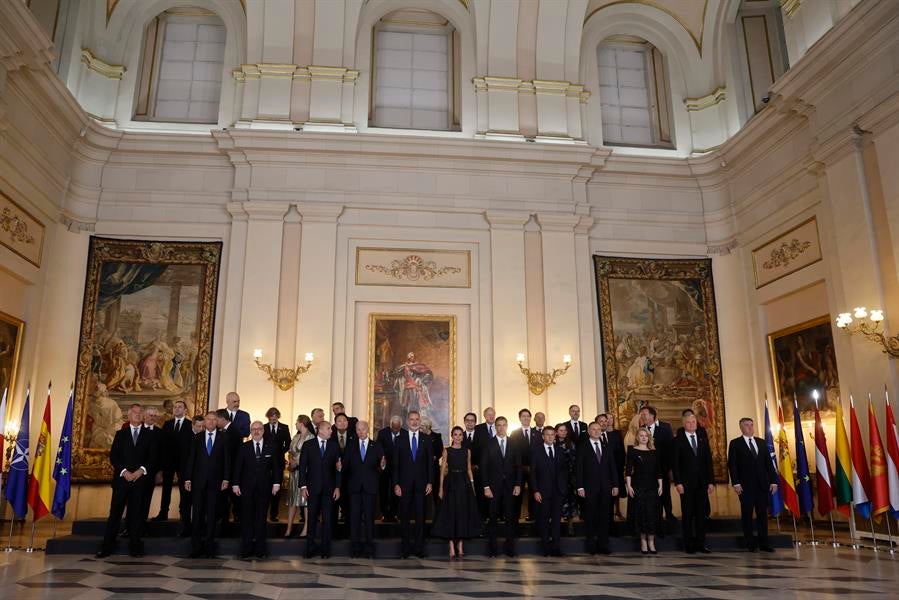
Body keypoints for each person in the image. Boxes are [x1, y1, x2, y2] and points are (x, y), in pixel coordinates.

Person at [96, 404, 157, 558]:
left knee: (136, 515)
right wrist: (124, 472)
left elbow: (152, 458)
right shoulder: (120, 434)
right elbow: (114, 457)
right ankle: (107, 547)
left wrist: (141, 470)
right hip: (122, 481)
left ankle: (135, 547)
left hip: (139, 481)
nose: (137, 415)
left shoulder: (149, 435)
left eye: (140, 413)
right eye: (134, 413)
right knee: (115, 513)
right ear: (129, 416)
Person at [184, 411, 231, 558]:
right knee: (197, 515)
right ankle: (196, 548)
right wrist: (188, 479)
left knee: (211, 516)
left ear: (217, 422)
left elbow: (227, 460)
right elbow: (191, 459)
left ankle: (210, 549)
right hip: (198, 482)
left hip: (216, 483)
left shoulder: (224, 438)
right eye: (208, 419)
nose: (211, 422)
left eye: (213, 419)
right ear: (204, 421)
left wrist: (226, 479)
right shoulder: (197, 438)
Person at [232, 421, 282, 558]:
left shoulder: (271, 447)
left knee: (261, 519)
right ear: (250, 431)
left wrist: (277, 483)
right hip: (246, 488)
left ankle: (260, 550)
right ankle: (246, 549)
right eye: (253, 429)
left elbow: (277, 467)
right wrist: (235, 484)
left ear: (263, 430)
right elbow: (238, 467)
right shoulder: (244, 447)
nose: (256, 431)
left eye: (259, 429)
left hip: (265, 488)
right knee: (246, 519)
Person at [728, 417, 778, 552]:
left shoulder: (761, 443)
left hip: (762, 486)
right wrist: (736, 483)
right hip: (745, 487)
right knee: (747, 515)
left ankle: (764, 543)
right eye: (747, 425)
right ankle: (750, 543)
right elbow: (732, 466)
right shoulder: (735, 444)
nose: (750, 427)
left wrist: (774, 481)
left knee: (762, 515)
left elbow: (769, 464)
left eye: (751, 425)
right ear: (741, 427)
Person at [431, 426, 482, 558]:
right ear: (452, 436)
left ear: (462, 437)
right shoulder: (447, 451)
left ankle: (460, 544)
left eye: (460, 435)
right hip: (450, 483)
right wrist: (441, 488)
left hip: (464, 483)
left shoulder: (467, 451)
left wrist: (473, 486)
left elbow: (469, 469)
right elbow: (442, 471)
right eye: (455, 434)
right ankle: (451, 545)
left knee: (462, 514)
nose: (458, 437)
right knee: (450, 513)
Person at [393, 410, 433, 558]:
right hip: (404, 486)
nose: (415, 422)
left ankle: (419, 549)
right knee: (404, 518)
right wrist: (396, 484)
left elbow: (430, 463)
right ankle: (405, 549)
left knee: (420, 518)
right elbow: (395, 464)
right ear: (407, 421)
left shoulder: (426, 439)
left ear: (420, 421)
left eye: (417, 419)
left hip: (422, 485)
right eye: (412, 419)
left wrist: (430, 481)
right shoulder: (399, 439)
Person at [299, 420, 342, 559]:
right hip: (312, 488)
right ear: (321, 430)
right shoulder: (308, 445)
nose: (331, 431)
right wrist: (303, 486)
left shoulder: (334, 446)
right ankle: (309, 549)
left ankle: (325, 550)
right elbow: (302, 468)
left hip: (329, 490)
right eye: (329, 429)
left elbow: (338, 469)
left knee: (328, 520)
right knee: (311, 519)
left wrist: (337, 487)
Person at [480, 416, 521, 557]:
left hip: (510, 487)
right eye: (498, 425)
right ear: (495, 427)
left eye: (504, 425)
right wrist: (486, 486)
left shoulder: (514, 443)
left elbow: (518, 467)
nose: (501, 427)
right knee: (492, 519)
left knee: (510, 519)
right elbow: (483, 467)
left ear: (507, 426)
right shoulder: (488, 444)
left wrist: (518, 484)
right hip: (493, 488)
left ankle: (510, 549)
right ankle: (492, 549)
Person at [673, 412, 715, 554]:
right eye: (689, 422)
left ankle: (701, 543)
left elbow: (708, 460)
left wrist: (711, 481)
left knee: (701, 514)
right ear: (684, 424)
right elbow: (676, 463)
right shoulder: (678, 439)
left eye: (694, 422)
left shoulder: (702, 437)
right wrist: (678, 482)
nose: (692, 424)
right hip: (686, 484)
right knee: (688, 514)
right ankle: (689, 544)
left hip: (702, 483)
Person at [344, 420, 386, 558]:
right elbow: (346, 466)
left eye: (363, 429)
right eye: (358, 430)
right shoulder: (350, 446)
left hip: (370, 487)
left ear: (367, 429)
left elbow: (381, 468)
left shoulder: (377, 446)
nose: (360, 432)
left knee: (369, 519)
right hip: (354, 488)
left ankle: (369, 548)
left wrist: (383, 466)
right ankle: (354, 549)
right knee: (354, 519)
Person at [576, 422, 619, 555]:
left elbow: (612, 467)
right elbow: (579, 469)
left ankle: (603, 545)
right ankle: (591, 546)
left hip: (606, 487)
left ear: (601, 431)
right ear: (588, 431)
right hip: (589, 488)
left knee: (605, 517)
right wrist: (580, 486)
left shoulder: (607, 447)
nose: (596, 431)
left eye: (598, 429)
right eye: (593, 429)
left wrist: (615, 485)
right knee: (590, 517)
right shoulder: (582, 447)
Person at [155, 400, 193, 535]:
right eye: (175, 407)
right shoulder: (167, 424)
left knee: (184, 490)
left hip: (184, 463)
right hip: (169, 462)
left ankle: (184, 515)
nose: (176, 409)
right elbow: (163, 445)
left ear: (185, 410)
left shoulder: (190, 425)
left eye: (180, 407)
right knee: (166, 488)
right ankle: (163, 512)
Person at [531, 426, 567, 556]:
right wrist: (535, 490)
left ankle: (556, 547)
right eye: (547, 434)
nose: (550, 437)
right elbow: (533, 473)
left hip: (558, 492)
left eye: (552, 434)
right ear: (543, 436)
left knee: (557, 521)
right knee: (544, 521)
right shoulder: (536, 451)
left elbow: (564, 471)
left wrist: (563, 489)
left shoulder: (560, 451)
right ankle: (545, 548)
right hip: (542, 492)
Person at [626, 427, 662, 554]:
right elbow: (629, 470)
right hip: (638, 485)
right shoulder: (633, 451)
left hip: (652, 486)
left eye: (645, 435)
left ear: (649, 437)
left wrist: (660, 485)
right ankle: (643, 542)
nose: (643, 437)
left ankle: (651, 541)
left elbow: (658, 471)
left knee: (651, 513)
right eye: (641, 435)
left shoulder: (654, 452)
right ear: (637, 437)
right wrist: (629, 486)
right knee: (641, 513)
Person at [640, 405, 675, 524]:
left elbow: (671, 449)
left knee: (665, 492)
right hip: (648, 469)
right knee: (652, 494)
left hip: (663, 467)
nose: (642, 416)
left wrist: (670, 468)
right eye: (642, 414)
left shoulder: (665, 428)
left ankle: (669, 514)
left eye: (644, 414)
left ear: (652, 416)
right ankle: (656, 516)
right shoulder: (641, 429)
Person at [285, 414, 314, 538]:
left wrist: (298, 462)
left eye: (297, 422)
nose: (295, 424)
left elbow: (310, 455)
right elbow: (291, 451)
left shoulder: (311, 437)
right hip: (294, 473)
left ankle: (306, 528)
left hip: (305, 473)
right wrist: (291, 461)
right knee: (292, 500)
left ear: (302, 423)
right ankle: (288, 528)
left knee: (305, 502)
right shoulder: (296, 436)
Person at [511, 408, 540, 521]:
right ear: (519, 418)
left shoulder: (537, 434)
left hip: (534, 469)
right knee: (517, 495)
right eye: (523, 416)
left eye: (528, 416)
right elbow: (512, 452)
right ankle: (516, 517)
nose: (526, 418)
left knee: (535, 493)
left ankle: (533, 517)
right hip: (519, 470)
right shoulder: (514, 434)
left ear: (530, 418)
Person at [263, 407, 291, 522]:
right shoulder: (263, 427)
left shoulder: (284, 427)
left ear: (278, 416)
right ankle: (262, 513)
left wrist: (281, 452)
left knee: (277, 488)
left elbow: (288, 442)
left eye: (275, 417)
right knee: (264, 487)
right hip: (265, 461)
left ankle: (274, 514)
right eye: (271, 417)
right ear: (268, 417)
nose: (273, 419)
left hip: (279, 461)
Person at [376, 415, 405, 522]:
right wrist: (382, 458)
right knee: (383, 490)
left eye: (397, 428)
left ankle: (394, 513)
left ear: (401, 426)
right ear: (390, 425)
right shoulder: (382, 433)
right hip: (385, 467)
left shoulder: (405, 434)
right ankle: (384, 513)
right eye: (394, 428)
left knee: (396, 491)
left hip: (400, 468)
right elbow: (378, 448)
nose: (395, 430)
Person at [217, 408, 243, 524]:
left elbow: (231, 453)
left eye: (216, 419)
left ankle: (235, 519)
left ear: (222, 419)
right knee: (226, 497)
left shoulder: (233, 431)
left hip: (232, 470)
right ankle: (226, 518)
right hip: (227, 471)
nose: (215, 422)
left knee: (234, 497)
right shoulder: (225, 431)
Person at [555, 423, 579, 524]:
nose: (563, 432)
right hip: (558, 475)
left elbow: (575, 459)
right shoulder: (553, 443)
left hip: (570, 474)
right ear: (556, 432)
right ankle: (560, 515)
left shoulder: (571, 443)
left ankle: (572, 516)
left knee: (572, 496)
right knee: (560, 496)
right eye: (561, 430)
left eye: (565, 430)